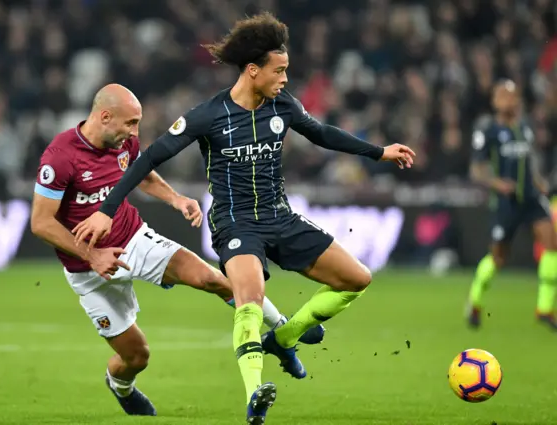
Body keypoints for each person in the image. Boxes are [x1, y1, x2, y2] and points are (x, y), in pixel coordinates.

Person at [71, 14, 415, 424]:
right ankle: (255, 396)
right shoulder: (207, 115)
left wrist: (378, 152)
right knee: (248, 300)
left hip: (280, 217)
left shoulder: (283, 106)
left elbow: (321, 133)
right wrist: (107, 211)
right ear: (253, 71)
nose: (285, 79)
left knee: (357, 279)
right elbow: (149, 157)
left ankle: (283, 338)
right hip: (236, 224)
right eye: (279, 71)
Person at [30, 83, 323, 418]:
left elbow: (143, 175)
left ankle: (283, 330)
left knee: (215, 279)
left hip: (134, 240)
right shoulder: (61, 156)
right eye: (129, 123)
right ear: (105, 116)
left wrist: (176, 199)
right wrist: (92, 255)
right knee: (137, 357)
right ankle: (120, 386)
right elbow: (41, 223)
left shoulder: (124, 143)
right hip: (88, 271)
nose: (134, 132)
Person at [468, 79, 557, 330]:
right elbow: (476, 170)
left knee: (552, 244)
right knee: (498, 258)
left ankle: (545, 308)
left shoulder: (525, 127)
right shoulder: (488, 130)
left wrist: (538, 180)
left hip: (530, 198)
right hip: (506, 202)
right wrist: (498, 183)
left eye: (514, 95)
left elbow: (529, 160)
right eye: (505, 96)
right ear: (495, 101)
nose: (511, 100)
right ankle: (474, 301)